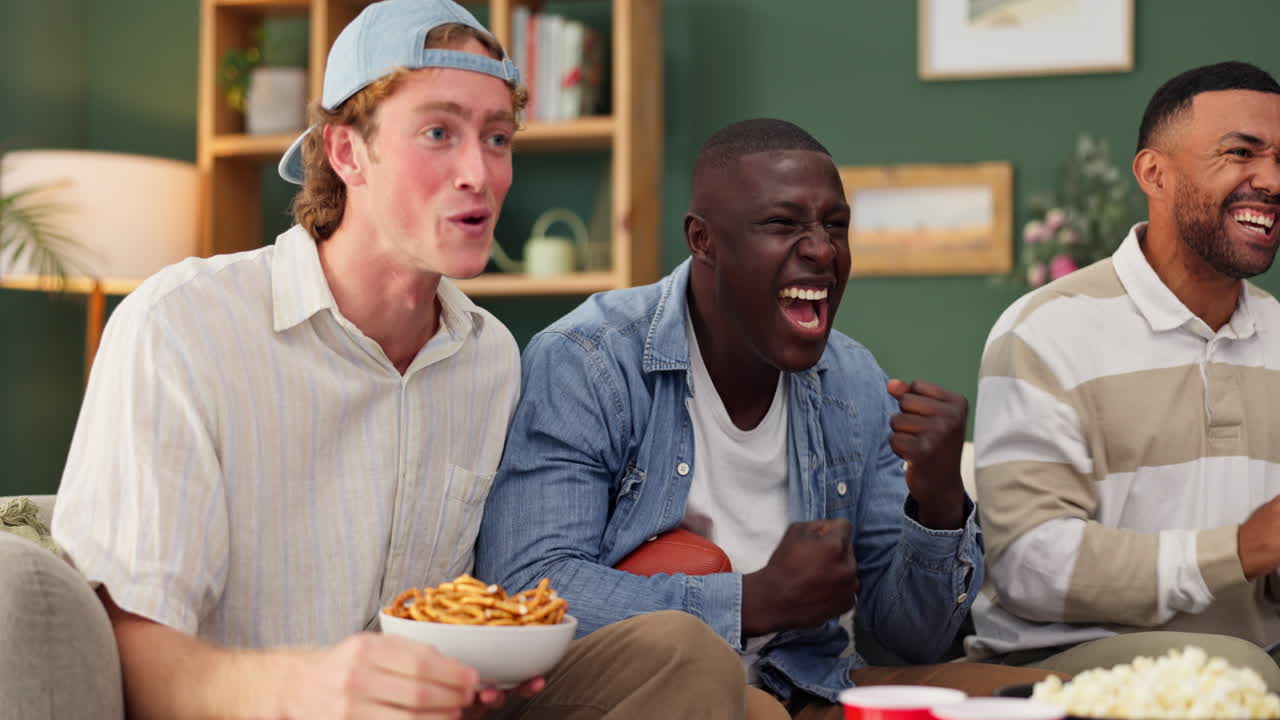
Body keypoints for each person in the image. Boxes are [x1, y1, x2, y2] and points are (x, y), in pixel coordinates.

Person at [48, 1, 746, 718]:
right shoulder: (180, 328)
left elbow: (481, 604)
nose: (479, 171)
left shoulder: (490, 359)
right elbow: (128, 653)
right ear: (347, 153)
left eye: (498, 137)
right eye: (438, 132)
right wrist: (305, 690)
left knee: (682, 653)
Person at [476, 118, 1057, 718]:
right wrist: (752, 602)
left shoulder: (855, 381)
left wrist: (937, 504)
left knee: (1038, 698)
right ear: (703, 240)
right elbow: (528, 587)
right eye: (783, 225)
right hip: (637, 693)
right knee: (708, 672)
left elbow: (906, 642)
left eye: (836, 226)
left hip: (807, 684)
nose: (822, 250)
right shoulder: (591, 361)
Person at [967, 60, 1280, 685]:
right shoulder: (1044, 331)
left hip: (1254, 660)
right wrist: (1239, 550)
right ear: (1154, 174)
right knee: (1237, 673)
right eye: (1241, 152)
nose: (1270, 180)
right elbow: (1030, 566)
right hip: (1063, 663)